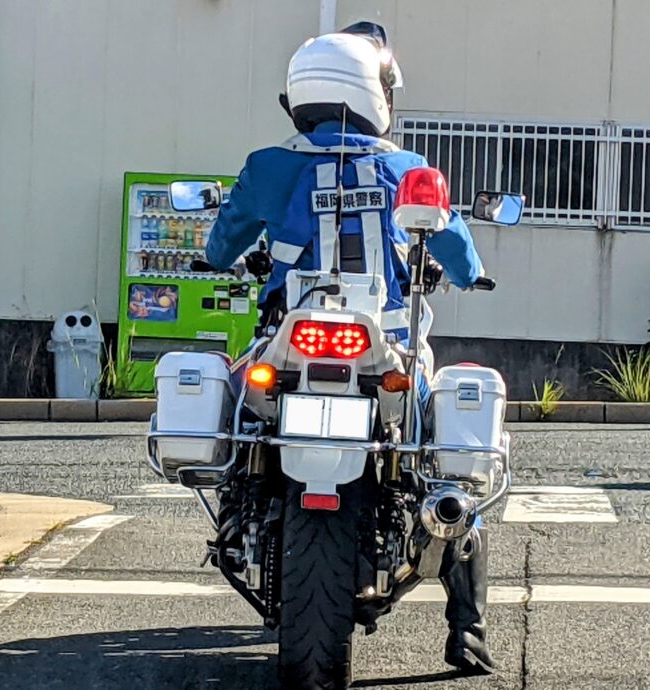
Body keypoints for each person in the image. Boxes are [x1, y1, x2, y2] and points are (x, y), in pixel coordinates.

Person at [204, 21, 495, 675]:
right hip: (388, 349)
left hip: (287, 342)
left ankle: (237, 519)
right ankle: (468, 631)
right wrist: (471, 273)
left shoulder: (268, 166)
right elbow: (460, 255)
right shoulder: (411, 172)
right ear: (376, 93)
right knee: (445, 466)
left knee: (241, 431)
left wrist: (226, 254)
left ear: (299, 96)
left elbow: (221, 247)